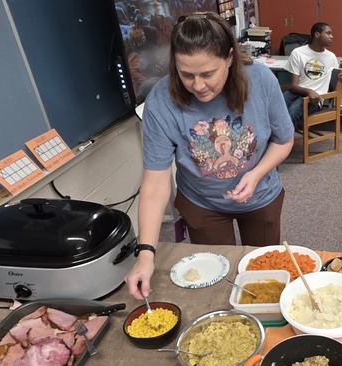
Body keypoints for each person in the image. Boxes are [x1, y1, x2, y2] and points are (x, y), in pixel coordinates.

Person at [125, 12, 294, 300]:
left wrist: (255, 173)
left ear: (229, 58)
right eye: (186, 74)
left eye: (207, 74)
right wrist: (146, 254)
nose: (198, 85)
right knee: (216, 282)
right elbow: (155, 183)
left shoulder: (261, 80)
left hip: (261, 195)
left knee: (263, 274)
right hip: (202, 204)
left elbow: (284, 139)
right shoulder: (161, 100)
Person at [282, 22, 342, 126]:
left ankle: (285, 141)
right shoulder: (298, 53)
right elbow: (293, 86)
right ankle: (273, 138)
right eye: (328, 33)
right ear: (317, 35)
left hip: (315, 98)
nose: (332, 36)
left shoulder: (331, 57)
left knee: (293, 111)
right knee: (277, 109)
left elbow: (334, 88)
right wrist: (308, 91)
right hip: (297, 92)